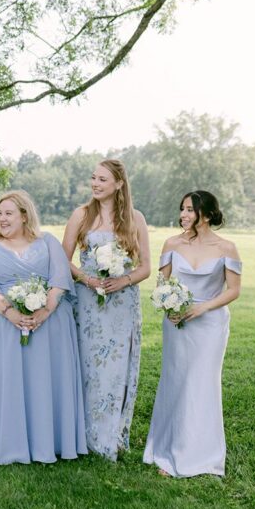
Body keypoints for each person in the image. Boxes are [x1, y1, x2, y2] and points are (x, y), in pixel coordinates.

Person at [0, 191, 87, 464]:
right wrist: (10, 313)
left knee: (43, 379)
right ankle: (9, 439)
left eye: (8, 213)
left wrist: (44, 311)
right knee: (9, 378)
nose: (1, 219)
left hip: (49, 322)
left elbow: (59, 279)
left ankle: (49, 439)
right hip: (4, 323)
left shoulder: (47, 242)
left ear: (24, 216)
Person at [144, 190, 241, 477]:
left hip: (210, 325)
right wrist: (168, 308)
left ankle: (201, 455)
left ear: (207, 214)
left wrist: (202, 309)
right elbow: (161, 285)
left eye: (190, 210)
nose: (183, 215)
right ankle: (167, 450)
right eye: (182, 209)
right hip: (177, 323)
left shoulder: (227, 248)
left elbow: (234, 290)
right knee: (176, 381)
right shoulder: (172, 243)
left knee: (202, 384)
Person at [62, 159, 151, 460]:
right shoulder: (82, 215)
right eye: (93, 178)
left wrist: (122, 280)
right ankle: (80, 435)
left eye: (102, 179)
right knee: (86, 366)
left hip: (122, 304)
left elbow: (146, 267)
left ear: (119, 184)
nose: (95, 184)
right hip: (87, 302)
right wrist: (86, 278)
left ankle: (108, 437)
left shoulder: (135, 219)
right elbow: (63, 260)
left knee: (114, 369)